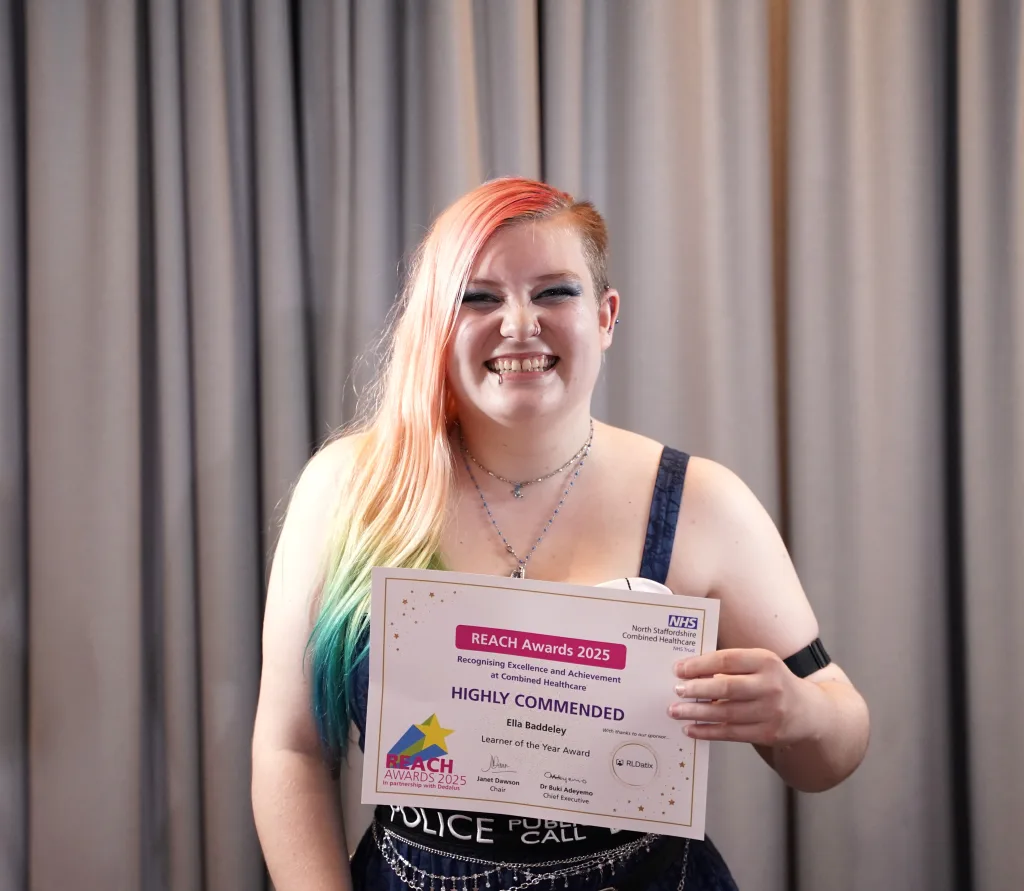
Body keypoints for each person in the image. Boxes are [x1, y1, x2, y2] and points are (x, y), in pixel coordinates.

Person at [251, 177, 870, 891]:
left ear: (606, 316)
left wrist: (796, 712)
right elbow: (289, 749)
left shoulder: (705, 501)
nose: (519, 323)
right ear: (436, 323)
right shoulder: (350, 489)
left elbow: (838, 742)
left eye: (554, 293)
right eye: (478, 297)